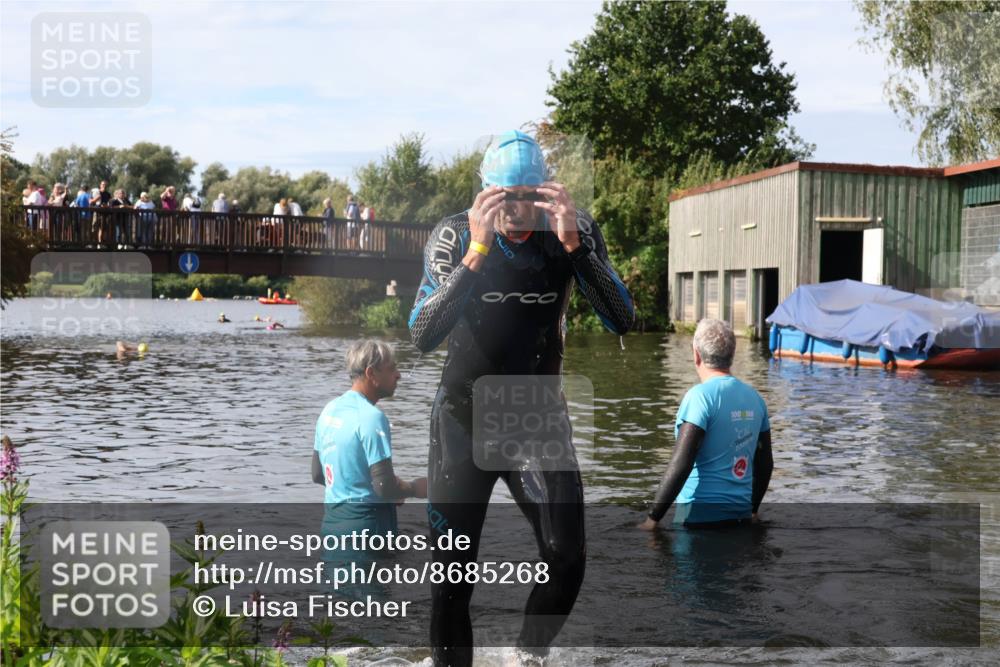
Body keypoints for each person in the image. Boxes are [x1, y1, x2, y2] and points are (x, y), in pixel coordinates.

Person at [408, 130, 635, 666]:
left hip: (536, 416)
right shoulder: (453, 237)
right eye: (505, 198)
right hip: (462, 417)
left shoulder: (571, 232)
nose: (518, 210)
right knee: (451, 579)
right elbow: (421, 334)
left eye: (529, 196)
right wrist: (479, 252)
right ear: (484, 193)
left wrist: (577, 250)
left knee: (567, 559)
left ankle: (525, 659)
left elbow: (622, 319)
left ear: (546, 191)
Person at [639, 319, 773, 531]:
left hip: (696, 519)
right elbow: (765, 464)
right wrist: (753, 510)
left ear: (696, 354)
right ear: (732, 353)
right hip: (740, 517)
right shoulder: (755, 399)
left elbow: (681, 463)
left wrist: (652, 519)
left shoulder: (699, 398)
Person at [311, 340, 427, 552]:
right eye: (392, 368)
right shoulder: (372, 418)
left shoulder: (328, 411)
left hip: (332, 531)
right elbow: (385, 487)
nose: (398, 375)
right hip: (368, 531)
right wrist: (414, 488)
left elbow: (318, 474)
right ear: (371, 373)